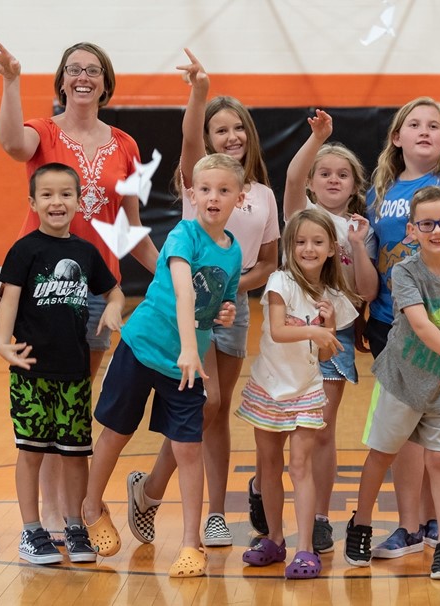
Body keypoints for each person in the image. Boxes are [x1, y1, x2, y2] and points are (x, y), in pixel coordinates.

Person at [0, 39, 159, 543]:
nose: (84, 76)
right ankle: (50, 520)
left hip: (95, 294)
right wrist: (11, 80)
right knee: (43, 397)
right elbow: (11, 144)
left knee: (74, 401)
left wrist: (170, 269)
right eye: (74, 69)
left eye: (94, 70)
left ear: (106, 82)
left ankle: (70, 512)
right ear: (62, 80)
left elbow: (129, 230)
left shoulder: (125, 145)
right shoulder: (42, 132)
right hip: (39, 291)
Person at [126, 49, 281, 549]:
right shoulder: (201, 183)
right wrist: (199, 92)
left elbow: (268, 262)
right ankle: (152, 488)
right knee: (204, 400)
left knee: (216, 410)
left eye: (238, 128)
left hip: (231, 311)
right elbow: (189, 137)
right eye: (221, 130)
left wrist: (232, 286)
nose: (231, 136)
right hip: (187, 313)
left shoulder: (261, 194)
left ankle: (215, 513)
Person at [80, 153, 242, 577]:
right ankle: (91, 508)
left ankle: (191, 544)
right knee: (116, 434)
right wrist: (190, 347)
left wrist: (223, 314)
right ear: (192, 195)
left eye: (224, 191)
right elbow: (185, 292)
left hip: (184, 366)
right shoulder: (183, 235)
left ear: (238, 199)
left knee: (189, 450)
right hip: (143, 349)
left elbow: (217, 300)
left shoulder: (234, 251)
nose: (213, 197)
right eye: (205, 189)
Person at [363, 96, 440, 558]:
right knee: (403, 434)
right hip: (391, 322)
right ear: (396, 137)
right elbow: (373, 257)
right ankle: (409, 525)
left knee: (435, 435)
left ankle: (436, 524)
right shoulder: (381, 191)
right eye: (413, 124)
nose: (424, 131)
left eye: (434, 125)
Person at [344, 186, 440, 580]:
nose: (437, 230)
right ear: (412, 229)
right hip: (401, 380)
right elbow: (422, 326)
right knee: (382, 454)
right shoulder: (405, 271)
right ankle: (360, 524)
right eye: (427, 223)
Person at [0, 163, 125, 565]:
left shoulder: (86, 252)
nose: (57, 202)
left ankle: (74, 525)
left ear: (79, 202)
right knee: (31, 451)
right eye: (47, 195)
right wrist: (2, 344)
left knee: (74, 452)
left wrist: (115, 309)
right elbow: (10, 299)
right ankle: (32, 531)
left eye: (66, 194)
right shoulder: (24, 250)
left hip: (74, 372)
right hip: (32, 370)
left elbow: (114, 291)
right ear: (33, 202)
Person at [235, 210, 360, 579]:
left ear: (331, 250)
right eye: (301, 241)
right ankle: (274, 539)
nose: (308, 248)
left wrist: (330, 325)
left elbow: (326, 354)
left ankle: (305, 548)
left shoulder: (333, 295)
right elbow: (276, 331)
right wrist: (315, 332)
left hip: (306, 389)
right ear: (290, 246)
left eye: (317, 242)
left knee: (300, 466)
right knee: (268, 467)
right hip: (268, 387)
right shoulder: (279, 281)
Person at [280, 109, 378, 553]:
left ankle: (319, 515)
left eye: (343, 175)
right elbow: (292, 176)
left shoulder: (360, 229)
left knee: (321, 429)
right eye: (325, 173)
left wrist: (358, 246)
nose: (333, 180)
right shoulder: (303, 215)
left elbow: (366, 288)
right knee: (283, 427)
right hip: (290, 333)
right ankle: (272, 498)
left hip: (334, 336)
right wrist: (317, 139)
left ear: (355, 186)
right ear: (313, 182)